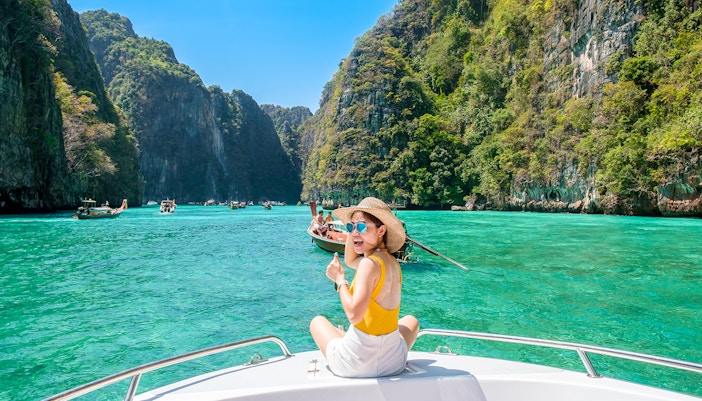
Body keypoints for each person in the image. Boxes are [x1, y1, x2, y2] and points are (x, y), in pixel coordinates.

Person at [310, 197, 419, 377]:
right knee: (411, 321)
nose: (354, 233)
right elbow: (351, 260)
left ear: (381, 230)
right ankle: (347, 337)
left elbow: (354, 314)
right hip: (393, 362)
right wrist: (356, 233)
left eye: (362, 227)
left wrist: (340, 280)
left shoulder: (368, 264)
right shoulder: (392, 263)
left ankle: (347, 338)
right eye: (351, 227)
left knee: (317, 322)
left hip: (356, 364)